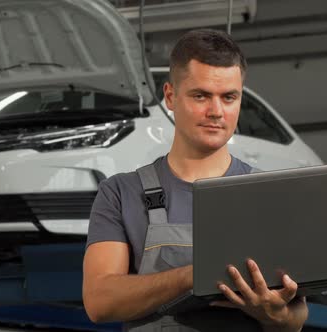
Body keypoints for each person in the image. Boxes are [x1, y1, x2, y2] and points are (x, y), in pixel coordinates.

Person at [82, 29, 308, 331]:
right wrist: (193, 276)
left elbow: (296, 318)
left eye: (229, 97)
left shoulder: (270, 195)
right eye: (201, 96)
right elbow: (100, 301)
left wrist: (272, 313)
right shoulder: (121, 193)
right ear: (171, 97)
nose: (216, 112)